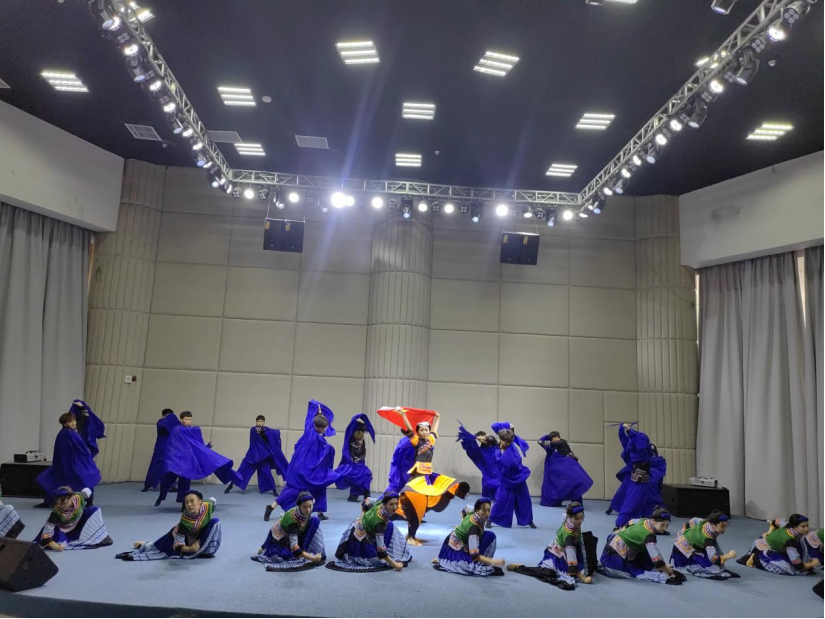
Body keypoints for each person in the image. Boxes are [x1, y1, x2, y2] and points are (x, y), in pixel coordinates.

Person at [387, 407, 469, 546]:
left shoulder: (430, 441)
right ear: (418, 432)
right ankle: (411, 537)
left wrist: (437, 417)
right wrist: (403, 416)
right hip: (417, 479)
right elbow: (409, 430)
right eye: (422, 430)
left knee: (448, 484)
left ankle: (411, 535)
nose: (425, 432)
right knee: (415, 508)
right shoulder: (416, 441)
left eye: (426, 430)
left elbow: (435, 431)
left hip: (427, 477)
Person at [265, 401, 339, 522]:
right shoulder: (319, 439)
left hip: (296, 467)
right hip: (307, 470)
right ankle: (320, 512)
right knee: (318, 486)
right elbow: (325, 452)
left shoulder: (309, 431)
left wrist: (317, 411)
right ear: (322, 428)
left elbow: (309, 419)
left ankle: (271, 507)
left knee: (292, 489)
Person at [155, 411, 239, 507]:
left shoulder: (194, 430)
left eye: (190, 419)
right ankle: (161, 497)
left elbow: (197, 444)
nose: (188, 421)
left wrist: (206, 448)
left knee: (185, 482)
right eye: (186, 419)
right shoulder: (177, 429)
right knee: (167, 478)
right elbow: (172, 444)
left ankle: (184, 504)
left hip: (188, 461)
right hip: (177, 459)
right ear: (181, 419)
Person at [508, 502, 593, 590]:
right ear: (570, 516)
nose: (580, 521)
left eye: (582, 518)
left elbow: (565, 515)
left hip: (572, 547)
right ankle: (520, 567)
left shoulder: (568, 519)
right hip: (560, 553)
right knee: (546, 573)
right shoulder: (569, 536)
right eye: (577, 518)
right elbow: (571, 558)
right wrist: (581, 577)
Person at [117, 491, 221, 561]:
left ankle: (207, 551)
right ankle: (144, 546)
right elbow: (178, 546)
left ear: (200, 502)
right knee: (159, 547)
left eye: (192, 501)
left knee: (216, 522)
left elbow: (213, 502)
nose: (189, 505)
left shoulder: (208, 506)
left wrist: (198, 541)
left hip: (201, 535)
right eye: (186, 502)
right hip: (186, 539)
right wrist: (190, 549)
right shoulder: (185, 522)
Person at [327, 493, 412, 572]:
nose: (394, 507)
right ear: (385, 504)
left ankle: (401, 550)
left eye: (396, 503)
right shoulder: (379, 523)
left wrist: (366, 515)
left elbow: (366, 501)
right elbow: (381, 551)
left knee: (390, 525)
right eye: (391, 504)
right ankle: (401, 552)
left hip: (359, 526)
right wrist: (395, 565)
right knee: (391, 528)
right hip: (360, 537)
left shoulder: (379, 502)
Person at [598, 508, 686, 585]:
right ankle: (661, 576)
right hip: (616, 551)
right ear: (654, 521)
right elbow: (656, 557)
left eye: (667, 525)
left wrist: (623, 531)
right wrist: (669, 572)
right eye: (662, 525)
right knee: (628, 571)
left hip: (616, 541)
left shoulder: (645, 521)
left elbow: (631, 522)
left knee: (646, 559)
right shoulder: (649, 536)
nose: (665, 528)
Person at [36, 412, 102, 508]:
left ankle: (89, 502)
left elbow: (81, 448)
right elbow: (62, 449)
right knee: (54, 479)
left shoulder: (69, 433)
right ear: (64, 423)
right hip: (68, 463)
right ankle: (50, 501)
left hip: (74, 462)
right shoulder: (66, 434)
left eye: (74, 421)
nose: (73, 423)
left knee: (85, 478)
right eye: (70, 422)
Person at [607, 424, 667, 528]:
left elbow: (628, 441)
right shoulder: (640, 452)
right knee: (632, 503)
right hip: (639, 483)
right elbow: (638, 443)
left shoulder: (633, 450)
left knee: (638, 503)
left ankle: (637, 523)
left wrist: (623, 431)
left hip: (640, 481)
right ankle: (620, 523)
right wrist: (628, 431)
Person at [253, 492, 326, 572]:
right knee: (289, 556)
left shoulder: (304, 513)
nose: (308, 510)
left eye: (310, 506)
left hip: (297, 532)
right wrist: (312, 558)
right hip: (282, 539)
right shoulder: (293, 523)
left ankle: (309, 550)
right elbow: (294, 549)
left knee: (315, 520)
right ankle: (265, 547)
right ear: (299, 506)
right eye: (305, 507)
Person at [433, 497, 504, 577]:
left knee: (490, 535)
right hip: (454, 548)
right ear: (477, 510)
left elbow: (464, 511)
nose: (487, 513)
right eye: (484, 510)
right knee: (472, 567)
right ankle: (451, 560)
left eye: (489, 510)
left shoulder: (472, 511)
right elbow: (474, 555)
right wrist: (493, 562)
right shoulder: (474, 529)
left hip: (458, 540)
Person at [224, 415, 288, 497]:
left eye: (261, 421)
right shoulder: (253, 430)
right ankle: (230, 486)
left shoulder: (267, 430)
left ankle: (274, 490)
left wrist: (276, 433)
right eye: (258, 421)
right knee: (241, 472)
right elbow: (260, 433)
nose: (259, 423)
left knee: (267, 474)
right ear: (256, 422)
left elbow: (268, 436)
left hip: (263, 457)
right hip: (252, 456)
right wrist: (269, 433)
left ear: (264, 422)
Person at [737, 515, 821, 575]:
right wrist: (813, 564)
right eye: (803, 526)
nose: (807, 529)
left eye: (807, 525)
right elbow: (798, 566)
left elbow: (775, 521)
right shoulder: (791, 543)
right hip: (767, 547)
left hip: (779, 546)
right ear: (794, 527)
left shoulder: (787, 525)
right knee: (786, 568)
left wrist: (772, 528)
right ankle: (755, 559)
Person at [34, 487, 112, 551]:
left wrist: (89, 504)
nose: (61, 505)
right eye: (58, 502)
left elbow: (88, 490)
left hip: (78, 521)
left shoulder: (79, 497)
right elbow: (47, 533)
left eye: (64, 502)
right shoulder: (56, 514)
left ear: (71, 497)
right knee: (60, 542)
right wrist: (54, 545)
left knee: (95, 509)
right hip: (63, 529)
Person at [489, 422, 536, 529]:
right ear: (501, 439)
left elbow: (516, 462)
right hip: (506, 481)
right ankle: (491, 519)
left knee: (525, 501)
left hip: (518, 479)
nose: (507, 443)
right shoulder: (497, 451)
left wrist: (511, 427)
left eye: (509, 442)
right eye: (505, 441)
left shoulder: (512, 447)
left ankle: (529, 521)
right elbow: (494, 425)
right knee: (501, 501)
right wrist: (507, 424)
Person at [670, 511, 740, 580]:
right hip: (682, 551)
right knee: (710, 567)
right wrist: (729, 556)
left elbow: (693, 520)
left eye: (725, 526)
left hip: (693, 545)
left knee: (712, 555)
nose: (724, 529)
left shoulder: (705, 522)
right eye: (722, 526)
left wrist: (683, 532)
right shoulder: (708, 540)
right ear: (713, 525)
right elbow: (714, 560)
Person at [538, 431, 593, 507]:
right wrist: (547, 436)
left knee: (573, 483)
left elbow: (569, 452)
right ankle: (556, 502)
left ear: (557, 437)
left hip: (564, 468)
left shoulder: (562, 442)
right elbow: (540, 442)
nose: (552, 440)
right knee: (557, 486)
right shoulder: (551, 448)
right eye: (551, 439)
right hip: (555, 471)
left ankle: (577, 503)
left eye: (553, 438)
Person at [334, 413, 376, 502]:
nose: (359, 440)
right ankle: (354, 495)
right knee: (356, 476)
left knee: (366, 474)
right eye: (358, 439)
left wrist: (362, 418)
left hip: (360, 463)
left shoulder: (362, 440)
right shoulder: (350, 440)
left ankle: (366, 494)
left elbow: (363, 451)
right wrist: (355, 419)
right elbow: (350, 429)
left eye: (360, 438)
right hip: (352, 463)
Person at [456, 425, 499, 500]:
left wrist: (476, 437)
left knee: (490, 502)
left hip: (493, 483)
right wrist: (476, 438)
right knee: (490, 502)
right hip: (493, 483)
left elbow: (490, 439)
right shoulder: (484, 452)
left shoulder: (491, 449)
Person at [142, 408, 179, 492]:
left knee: (167, 466)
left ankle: (170, 485)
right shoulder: (162, 422)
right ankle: (148, 484)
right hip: (163, 448)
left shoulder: (170, 423)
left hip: (167, 447)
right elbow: (165, 426)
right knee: (158, 466)